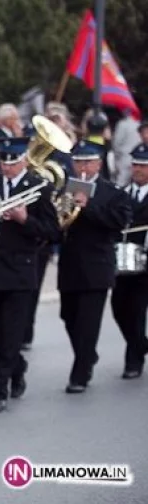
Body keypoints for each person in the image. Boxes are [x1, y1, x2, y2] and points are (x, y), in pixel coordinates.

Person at [0, 137, 59, 413]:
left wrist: (25, 219)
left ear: (23, 160)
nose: (6, 168)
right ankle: (17, 366)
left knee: (11, 332)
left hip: (20, 269)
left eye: (12, 163)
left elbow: (53, 232)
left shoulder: (39, 188)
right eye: (3, 162)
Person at [57, 139, 130, 394]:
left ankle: (81, 372)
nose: (82, 166)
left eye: (87, 161)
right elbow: (58, 223)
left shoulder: (113, 192)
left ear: (98, 163)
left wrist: (87, 207)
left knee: (88, 322)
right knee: (68, 316)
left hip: (97, 266)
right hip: (70, 264)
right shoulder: (65, 188)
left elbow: (118, 222)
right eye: (78, 161)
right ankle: (87, 354)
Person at [111, 144, 148, 379]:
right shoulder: (121, 193)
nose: (138, 169)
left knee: (136, 310)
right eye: (135, 164)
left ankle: (133, 361)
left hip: (146, 263)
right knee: (119, 309)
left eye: (143, 166)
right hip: (122, 261)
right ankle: (142, 344)